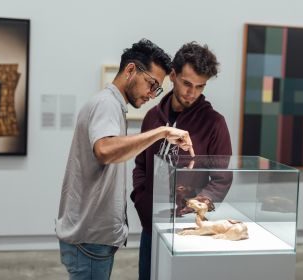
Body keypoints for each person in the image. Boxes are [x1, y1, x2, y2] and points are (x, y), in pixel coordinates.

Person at [56, 39, 194, 280]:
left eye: (157, 89)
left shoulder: (112, 105)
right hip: (90, 241)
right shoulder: (107, 104)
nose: (152, 94)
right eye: (151, 84)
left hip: (92, 240)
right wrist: (162, 132)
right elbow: (105, 150)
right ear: (131, 70)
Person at [132, 42, 232, 280]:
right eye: (187, 84)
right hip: (152, 226)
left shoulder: (215, 123)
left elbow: (221, 178)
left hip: (190, 229)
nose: (192, 93)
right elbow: (141, 166)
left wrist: (200, 204)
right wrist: (141, 201)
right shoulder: (152, 117)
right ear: (173, 76)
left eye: (200, 86)